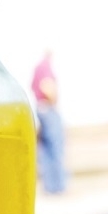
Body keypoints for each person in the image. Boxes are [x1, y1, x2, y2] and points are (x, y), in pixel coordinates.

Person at [32, 49, 68, 195]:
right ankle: (59, 187)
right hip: (48, 108)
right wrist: (55, 103)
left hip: (40, 108)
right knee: (55, 147)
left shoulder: (37, 68)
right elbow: (47, 86)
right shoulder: (45, 66)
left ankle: (50, 187)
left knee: (45, 149)